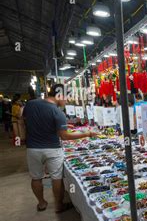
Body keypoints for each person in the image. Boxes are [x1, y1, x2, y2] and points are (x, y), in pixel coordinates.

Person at [23, 84, 98, 213]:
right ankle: (59, 205)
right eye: (66, 97)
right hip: (52, 149)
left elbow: (24, 120)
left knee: (36, 177)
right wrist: (87, 134)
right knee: (56, 178)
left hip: (33, 148)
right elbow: (64, 136)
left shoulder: (30, 104)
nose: (66, 101)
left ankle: (41, 203)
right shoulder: (57, 112)